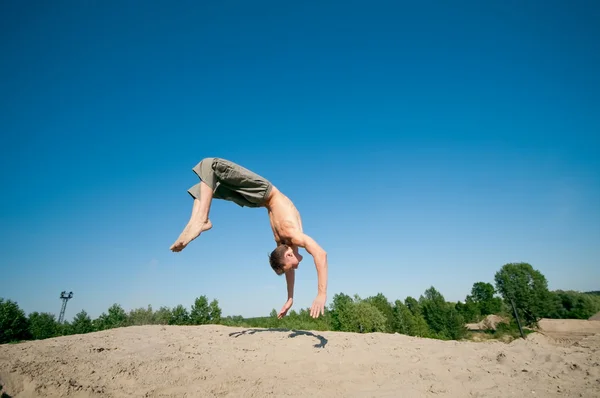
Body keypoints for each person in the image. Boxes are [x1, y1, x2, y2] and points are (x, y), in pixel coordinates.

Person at [170, 157, 328, 319]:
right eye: (291, 267)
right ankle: (201, 219)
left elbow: (289, 270)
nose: (295, 268)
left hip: (258, 200)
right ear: (288, 255)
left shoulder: (285, 242)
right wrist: (321, 294)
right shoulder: (292, 236)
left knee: (205, 185)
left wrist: (290, 298)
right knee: (209, 167)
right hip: (263, 192)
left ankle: (200, 220)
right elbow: (321, 254)